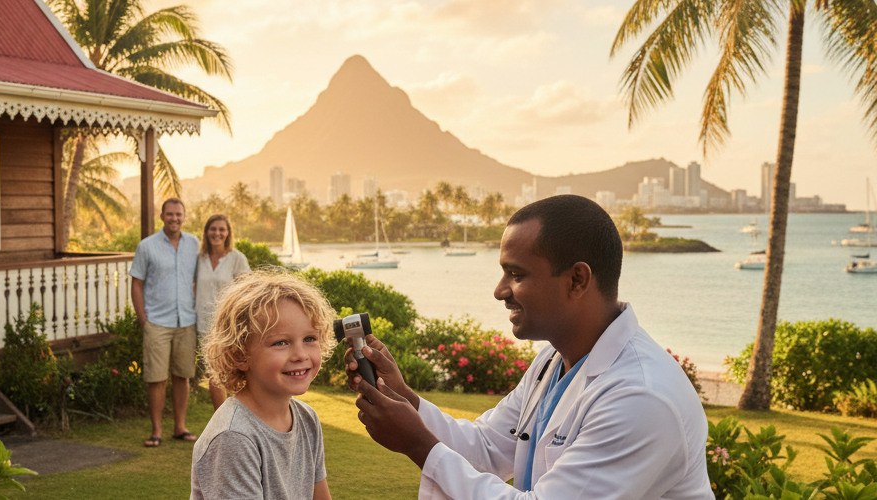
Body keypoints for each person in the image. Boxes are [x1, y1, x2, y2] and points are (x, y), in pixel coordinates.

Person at [346, 195, 712, 499]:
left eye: (516, 274)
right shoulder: (553, 363)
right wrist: (404, 397)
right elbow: (486, 448)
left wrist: (419, 446)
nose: (500, 291)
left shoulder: (640, 398)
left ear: (577, 279)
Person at [191, 271, 334, 500]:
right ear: (240, 355)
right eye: (281, 342)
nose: (300, 355)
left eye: (309, 339)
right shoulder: (233, 437)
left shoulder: (308, 419)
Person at [130, 198, 200, 447]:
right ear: (162, 216)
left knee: (183, 376)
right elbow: (136, 284)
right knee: (156, 378)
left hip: (186, 320)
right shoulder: (146, 246)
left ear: (184, 216)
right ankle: (156, 430)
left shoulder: (194, 244)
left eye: (179, 214)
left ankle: (180, 427)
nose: (174, 218)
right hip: (157, 322)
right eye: (170, 214)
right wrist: (144, 320)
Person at [195, 214, 251, 410]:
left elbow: (247, 292)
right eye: (213, 229)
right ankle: (222, 419)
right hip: (203, 324)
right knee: (214, 375)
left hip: (229, 325)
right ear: (206, 232)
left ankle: (241, 416)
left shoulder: (236, 259)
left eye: (221, 229)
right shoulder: (199, 258)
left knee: (235, 373)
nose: (217, 233)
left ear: (228, 233)